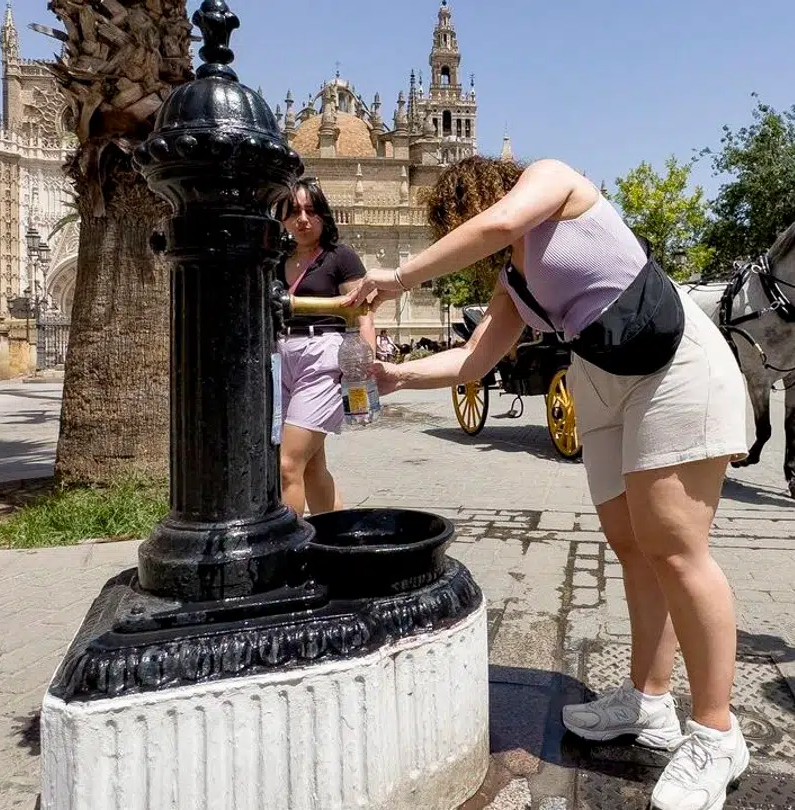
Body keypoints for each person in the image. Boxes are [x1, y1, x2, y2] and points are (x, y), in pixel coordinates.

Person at [348, 155, 751, 810]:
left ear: (483, 194)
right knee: (631, 544)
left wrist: (395, 277)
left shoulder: (552, 180)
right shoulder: (514, 282)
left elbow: (503, 219)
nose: (463, 226)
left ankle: (715, 731)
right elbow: (477, 359)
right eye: (449, 222)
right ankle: (648, 702)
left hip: (672, 363)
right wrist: (398, 380)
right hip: (601, 382)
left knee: (676, 549)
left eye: (461, 212)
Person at [275, 178, 373, 517]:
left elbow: (363, 314)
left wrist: (364, 370)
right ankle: (338, 541)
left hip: (323, 357)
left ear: (324, 217)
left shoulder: (339, 256)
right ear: (282, 218)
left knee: (287, 465)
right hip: (280, 358)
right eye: (294, 212)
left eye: (311, 211)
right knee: (311, 467)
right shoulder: (275, 259)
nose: (302, 219)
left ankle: (286, 554)